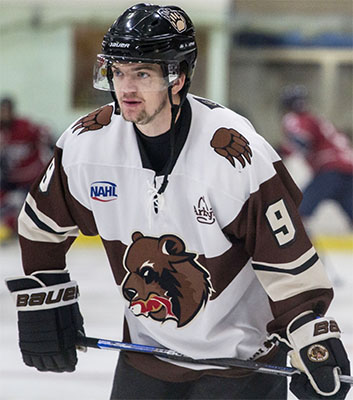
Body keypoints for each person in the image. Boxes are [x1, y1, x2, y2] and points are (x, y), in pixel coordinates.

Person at [5, 4, 351, 400]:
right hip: (146, 357)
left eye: (142, 74)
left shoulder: (234, 154)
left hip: (240, 366)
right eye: (118, 72)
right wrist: (45, 291)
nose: (126, 88)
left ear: (179, 77)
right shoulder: (88, 145)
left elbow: (285, 261)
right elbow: (40, 224)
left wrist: (312, 337)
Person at [279, 84, 353, 228]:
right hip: (348, 171)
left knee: (298, 212)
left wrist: (278, 152)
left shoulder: (294, 118)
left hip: (330, 171)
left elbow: (301, 141)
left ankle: (302, 249)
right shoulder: (317, 120)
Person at [0, 97, 52, 241]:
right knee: (7, 203)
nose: (4, 114)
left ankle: (19, 230)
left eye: (6, 111)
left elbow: (46, 134)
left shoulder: (25, 126)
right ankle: (9, 228)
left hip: (31, 178)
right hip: (10, 178)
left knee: (22, 204)